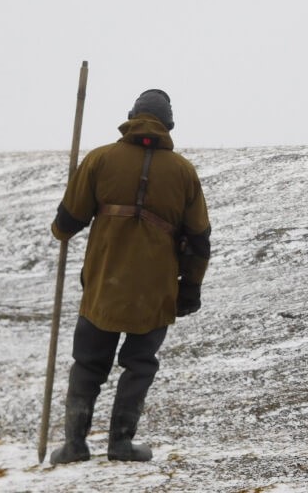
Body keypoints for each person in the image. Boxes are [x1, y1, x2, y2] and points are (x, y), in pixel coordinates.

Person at [49, 89, 211, 464]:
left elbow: (68, 221)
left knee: (88, 364)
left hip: (103, 288)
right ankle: (121, 444)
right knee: (139, 365)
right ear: (168, 124)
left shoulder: (100, 159)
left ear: (131, 116)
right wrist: (191, 288)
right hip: (155, 295)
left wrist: (60, 229)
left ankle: (75, 444)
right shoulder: (183, 172)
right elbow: (199, 239)